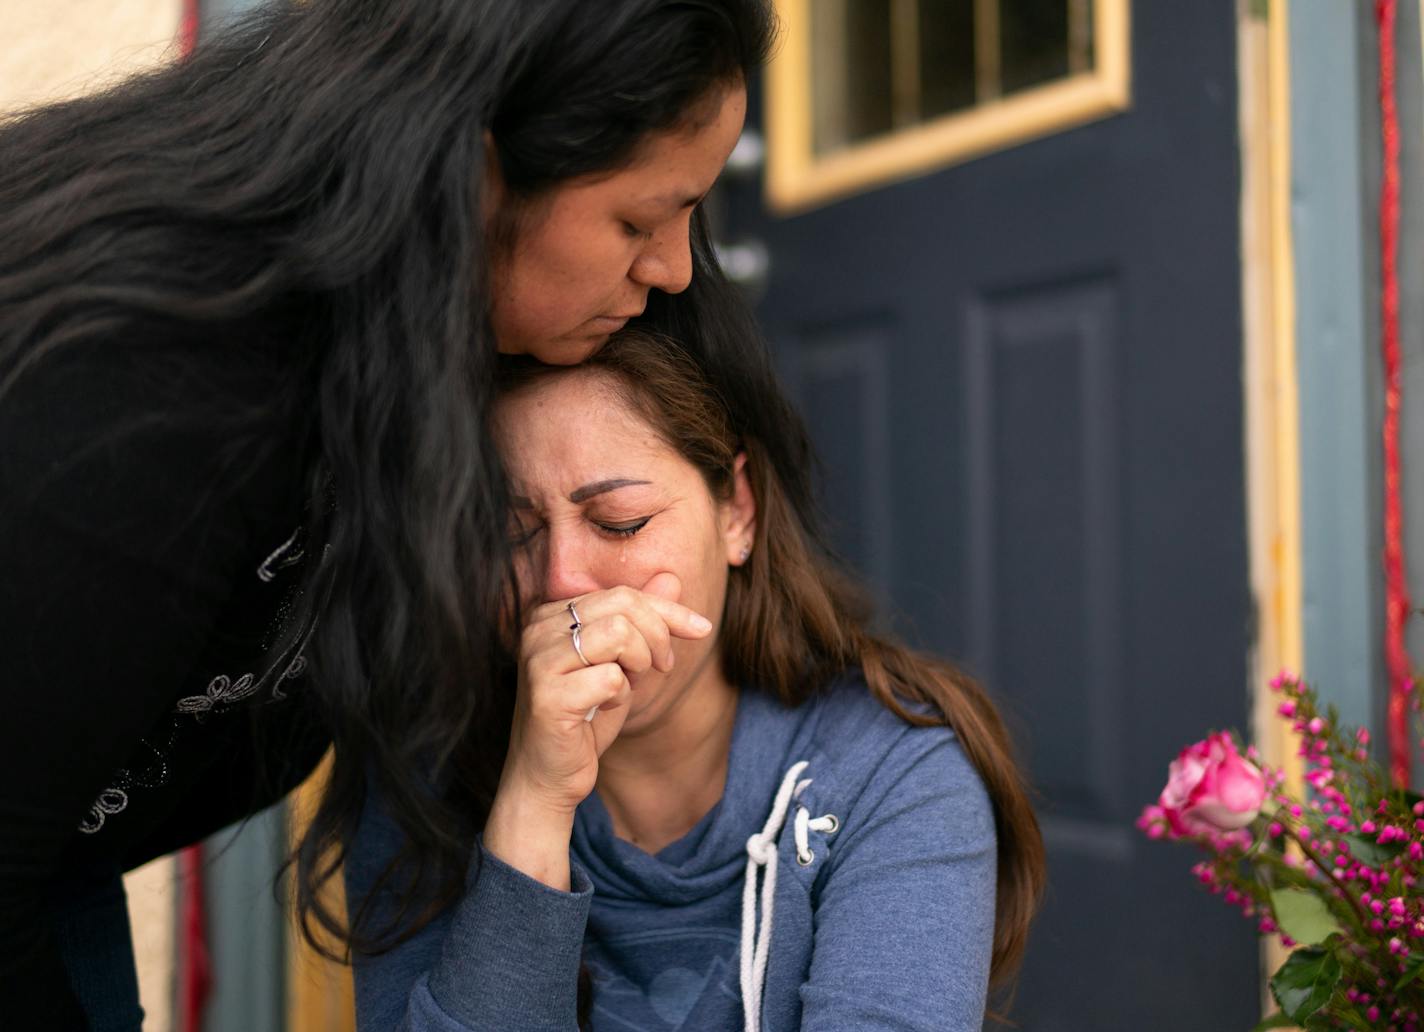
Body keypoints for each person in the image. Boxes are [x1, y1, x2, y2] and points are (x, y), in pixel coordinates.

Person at [0, 2, 789, 1028]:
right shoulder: (142, 392)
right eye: (636, 223)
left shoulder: (447, 306)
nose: (675, 268)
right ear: (472, 172)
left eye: (690, 215)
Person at [344, 331, 1046, 1031]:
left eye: (620, 524)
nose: (562, 582)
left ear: (736, 512)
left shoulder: (892, 772)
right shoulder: (420, 775)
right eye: (511, 532)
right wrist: (532, 803)